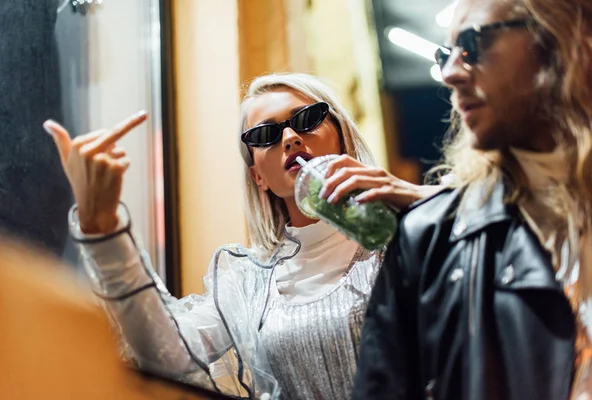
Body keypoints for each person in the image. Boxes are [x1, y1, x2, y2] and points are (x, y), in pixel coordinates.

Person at [43, 73, 433, 400]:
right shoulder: (247, 282)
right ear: (258, 177)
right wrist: (102, 227)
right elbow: (166, 353)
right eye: (265, 134)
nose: (291, 139)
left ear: (342, 136)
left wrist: (420, 200)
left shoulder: (407, 236)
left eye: (308, 118)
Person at [353, 0, 592, 399]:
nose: (449, 74)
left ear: (561, 38)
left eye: (473, 42)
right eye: (445, 54)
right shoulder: (429, 237)